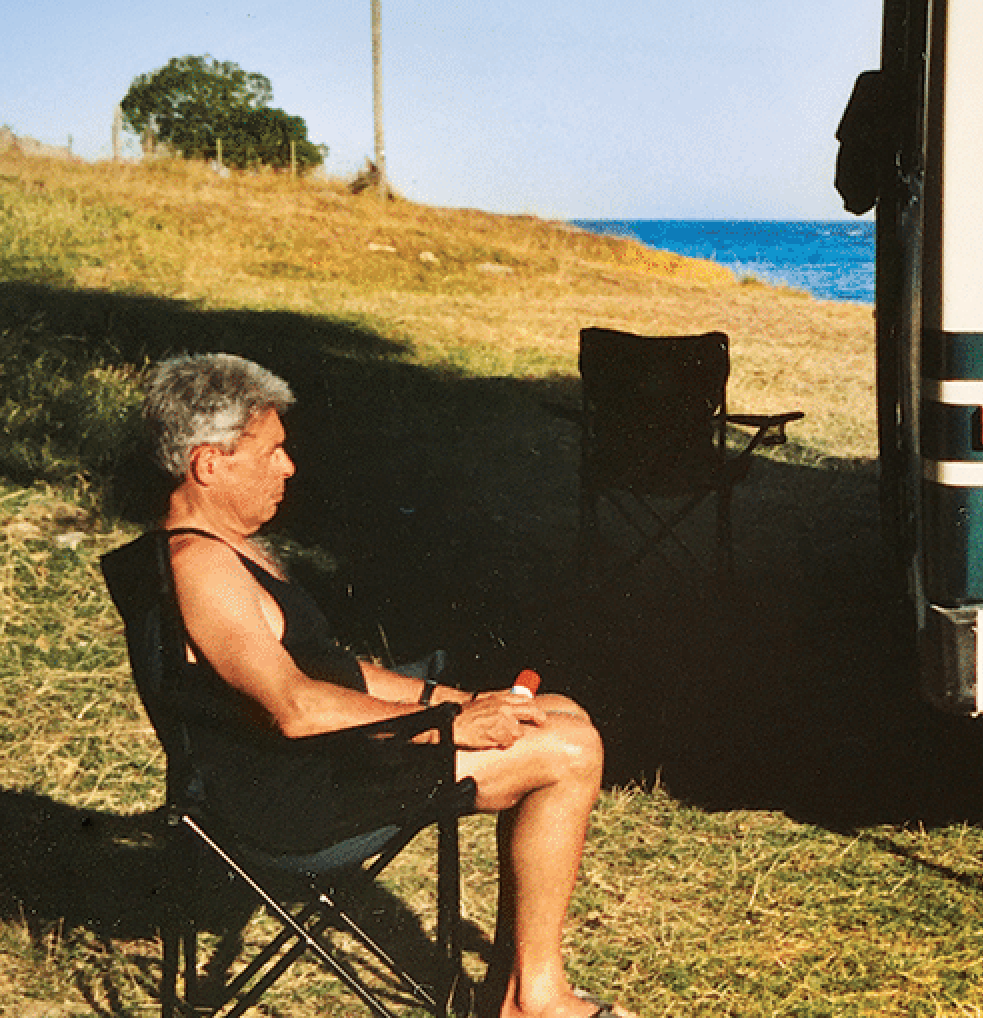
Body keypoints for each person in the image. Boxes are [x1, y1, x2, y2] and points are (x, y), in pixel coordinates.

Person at [141, 353, 634, 1018]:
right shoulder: (203, 565)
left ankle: (520, 986)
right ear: (208, 463)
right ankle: (530, 999)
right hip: (293, 801)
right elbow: (294, 707)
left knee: (556, 712)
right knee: (569, 752)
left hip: (315, 763)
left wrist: (458, 701)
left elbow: (334, 672)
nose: (287, 467)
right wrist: (448, 729)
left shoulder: (222, 547)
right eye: (272, 451)